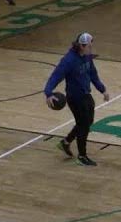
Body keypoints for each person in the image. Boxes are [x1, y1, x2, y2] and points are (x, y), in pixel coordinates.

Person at [44, 32, 110, 166]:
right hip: (75, 98)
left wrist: (103, 89)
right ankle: (82, 156)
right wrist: (48, 92)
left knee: (87, 122)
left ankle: (66, 142)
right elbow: (55, 76)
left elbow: (93, 74)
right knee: (84, 125)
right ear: (82, 45)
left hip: (86, 94)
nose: (91, 48)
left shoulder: (87, 57)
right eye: (89, 46)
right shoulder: (68, 60)